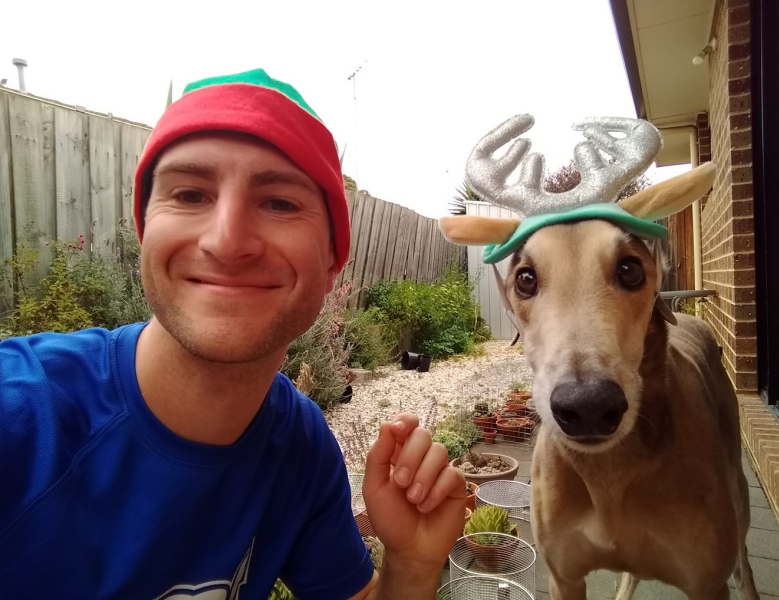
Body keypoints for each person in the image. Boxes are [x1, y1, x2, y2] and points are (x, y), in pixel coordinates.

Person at [0, 68, 466, 599]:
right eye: (191, 194)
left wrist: (411, 562)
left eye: (280, 203)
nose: (226, 242)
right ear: (146, 231)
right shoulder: (19, 420)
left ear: (333, 264)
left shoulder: (300, 448)